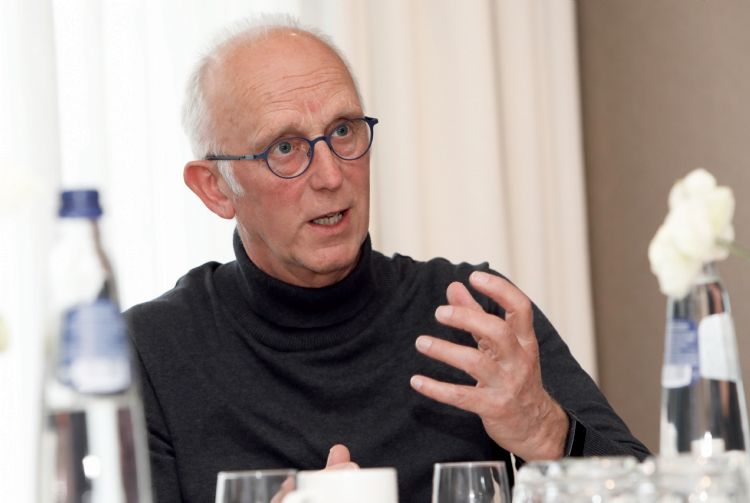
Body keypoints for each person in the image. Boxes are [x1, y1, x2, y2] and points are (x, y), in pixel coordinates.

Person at [125, 15, 649, 503]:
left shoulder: (469, 311)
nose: (331, 175)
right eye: (285, 148)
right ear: (215, 187)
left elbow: (653, 490)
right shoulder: (151, 352)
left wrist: (546, 431)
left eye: (343, 131)